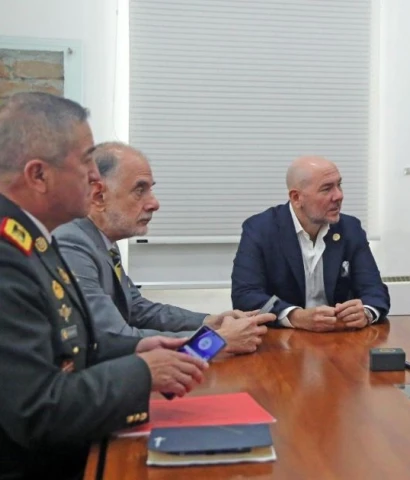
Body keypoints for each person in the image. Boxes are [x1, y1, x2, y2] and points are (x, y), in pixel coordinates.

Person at [0, 92, 207, 479]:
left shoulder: (36, 240)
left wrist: (139, 346)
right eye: (85, 162)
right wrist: (143, 372)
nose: (96, 179)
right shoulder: (7, 256)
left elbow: (69, 344)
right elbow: (36, 409)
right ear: (38, 175)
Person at [53, 142, 272, 354]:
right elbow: (113, 337)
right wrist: (215, 342)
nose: (154, 203)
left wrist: (211, 322)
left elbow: (136, 309)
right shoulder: (71, 245)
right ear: (99, 196)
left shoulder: (101, 241)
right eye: (140, 190)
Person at [231, 156, 390, 332]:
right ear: (297, 197)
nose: (339, 195)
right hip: (283, 341)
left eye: (339, 185)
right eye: (327, 188)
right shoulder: (261, 229)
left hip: (339, 340)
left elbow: (374, 290)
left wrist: (365, 312)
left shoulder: (350, 229)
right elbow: (245, 296)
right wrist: (294, 316)